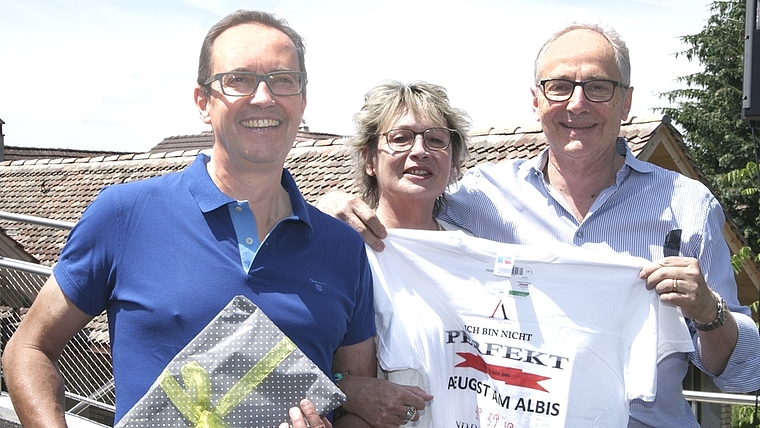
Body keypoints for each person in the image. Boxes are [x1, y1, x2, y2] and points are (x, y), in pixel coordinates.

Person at [318, 22, 760, 427]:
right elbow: (409, 202)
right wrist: (328, 209)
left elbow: (745, 372)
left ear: (626, 100)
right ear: (536, 100)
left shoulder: (688, 206)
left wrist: (708, 311)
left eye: (599, 87)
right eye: (560, 86)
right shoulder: (479, 199)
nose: (578, 103)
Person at [2, 10, 376, 428]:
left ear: (302, 100)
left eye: (283, 80)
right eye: (239, 79)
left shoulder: (343, 247)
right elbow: (28, 349)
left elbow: (356, 395)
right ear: (203, 102)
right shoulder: (124, 216)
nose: (264, 97)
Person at [339, 80, 469, 427]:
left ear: (454, 162)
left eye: (436, 140)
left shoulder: (474, 253)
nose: (420, 151)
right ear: (369, 158)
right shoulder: (343, 254)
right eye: (400, 138)